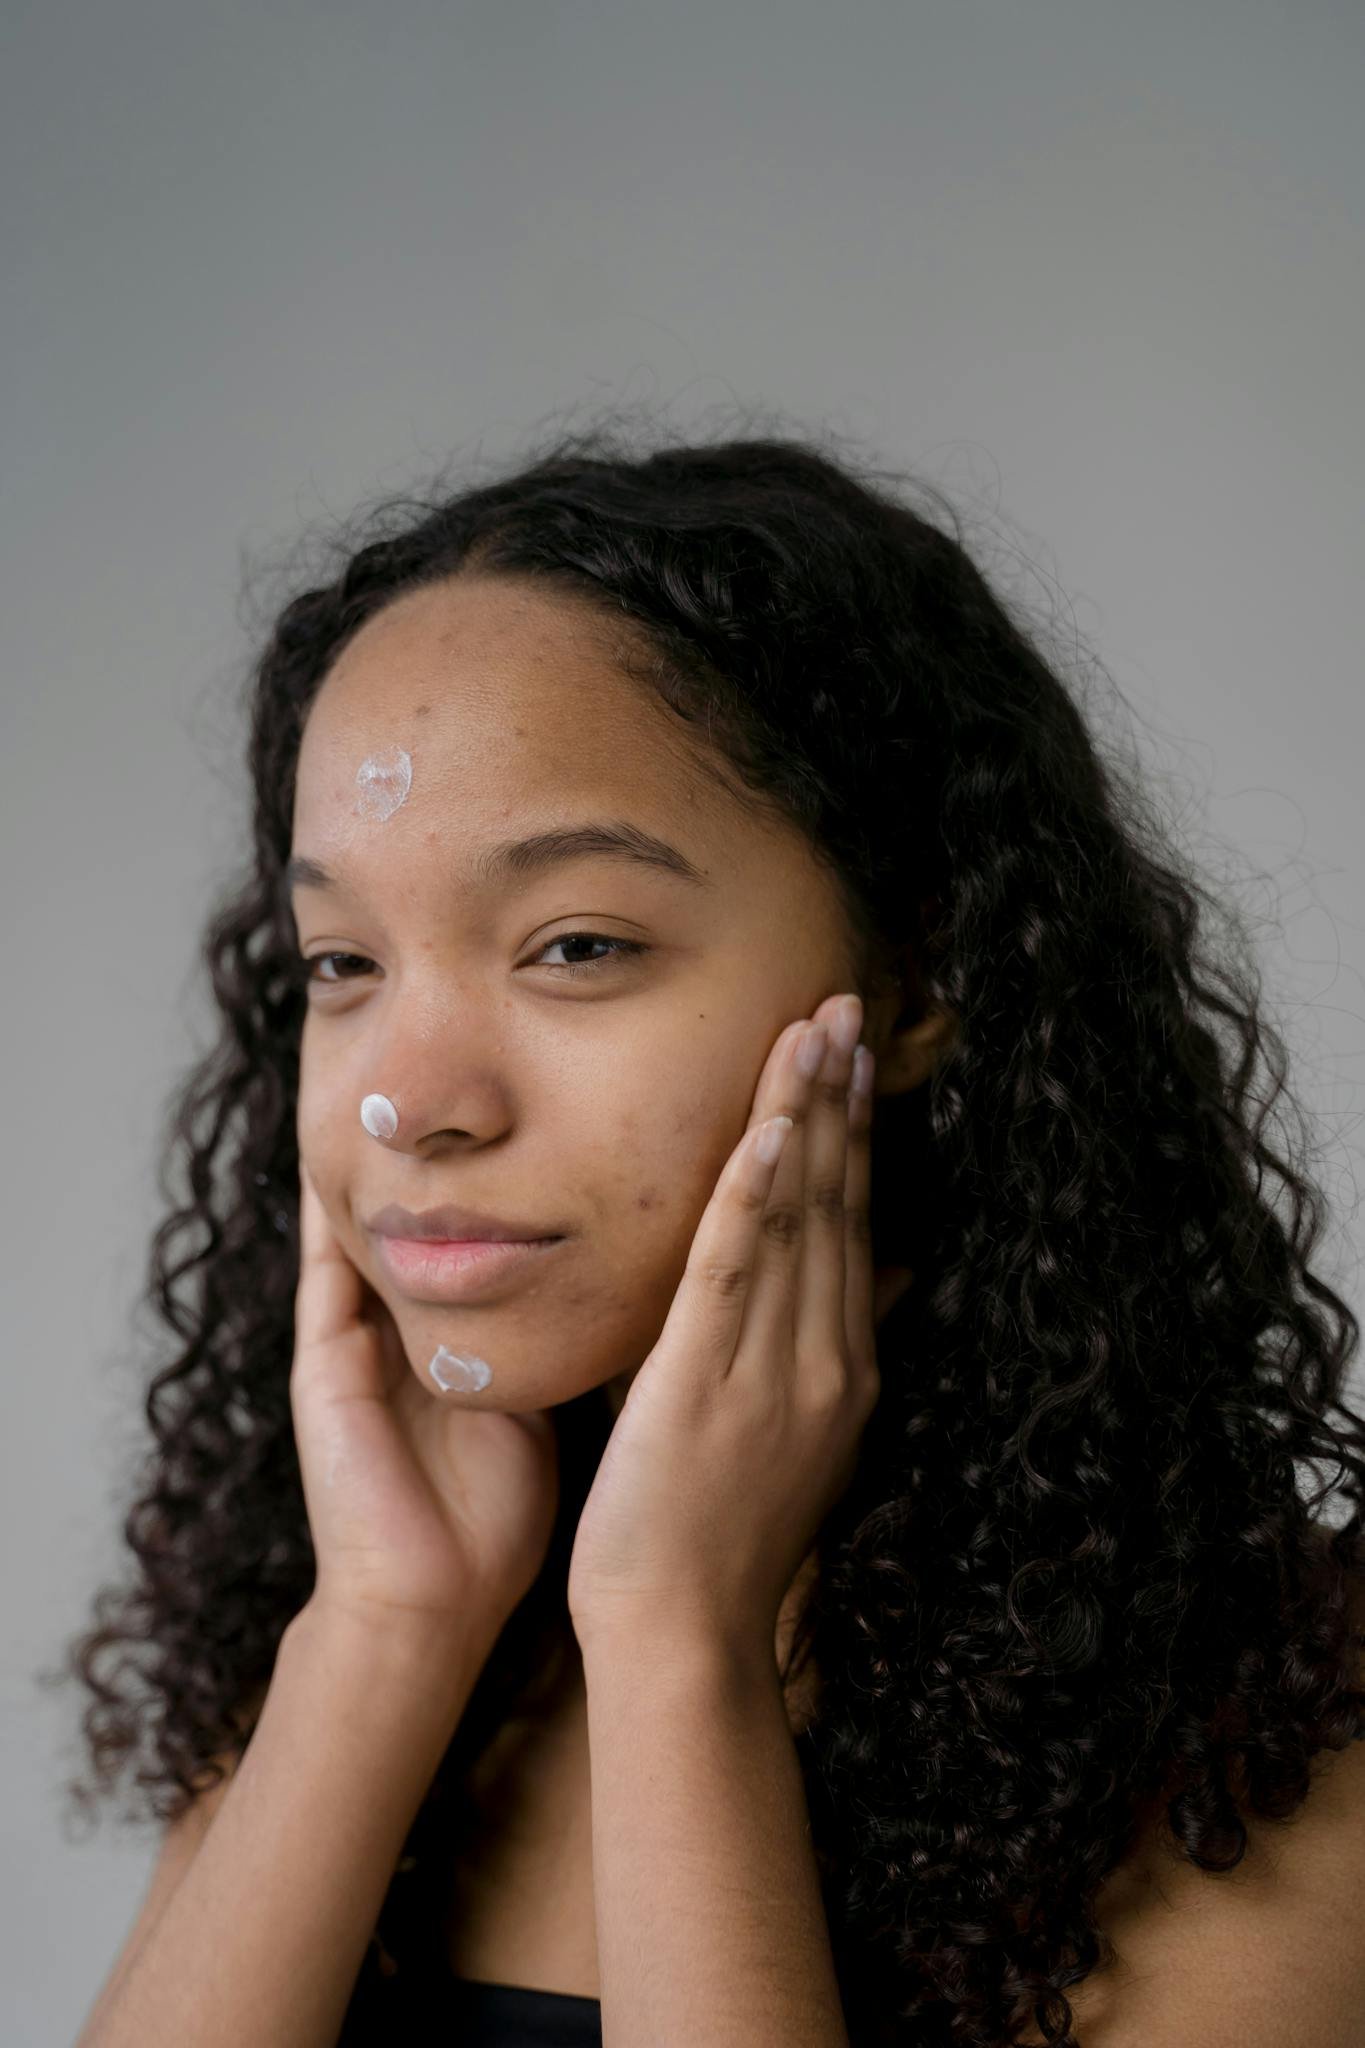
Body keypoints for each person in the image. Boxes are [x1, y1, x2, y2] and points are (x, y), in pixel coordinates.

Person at [59, 420, 1365, 2048]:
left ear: (916, 979)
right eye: (342, 965)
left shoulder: (1273, 1732)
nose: (412, 1103)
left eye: (577, 944)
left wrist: (683, 1651)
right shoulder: (383, 1624)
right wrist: (383, 1631)